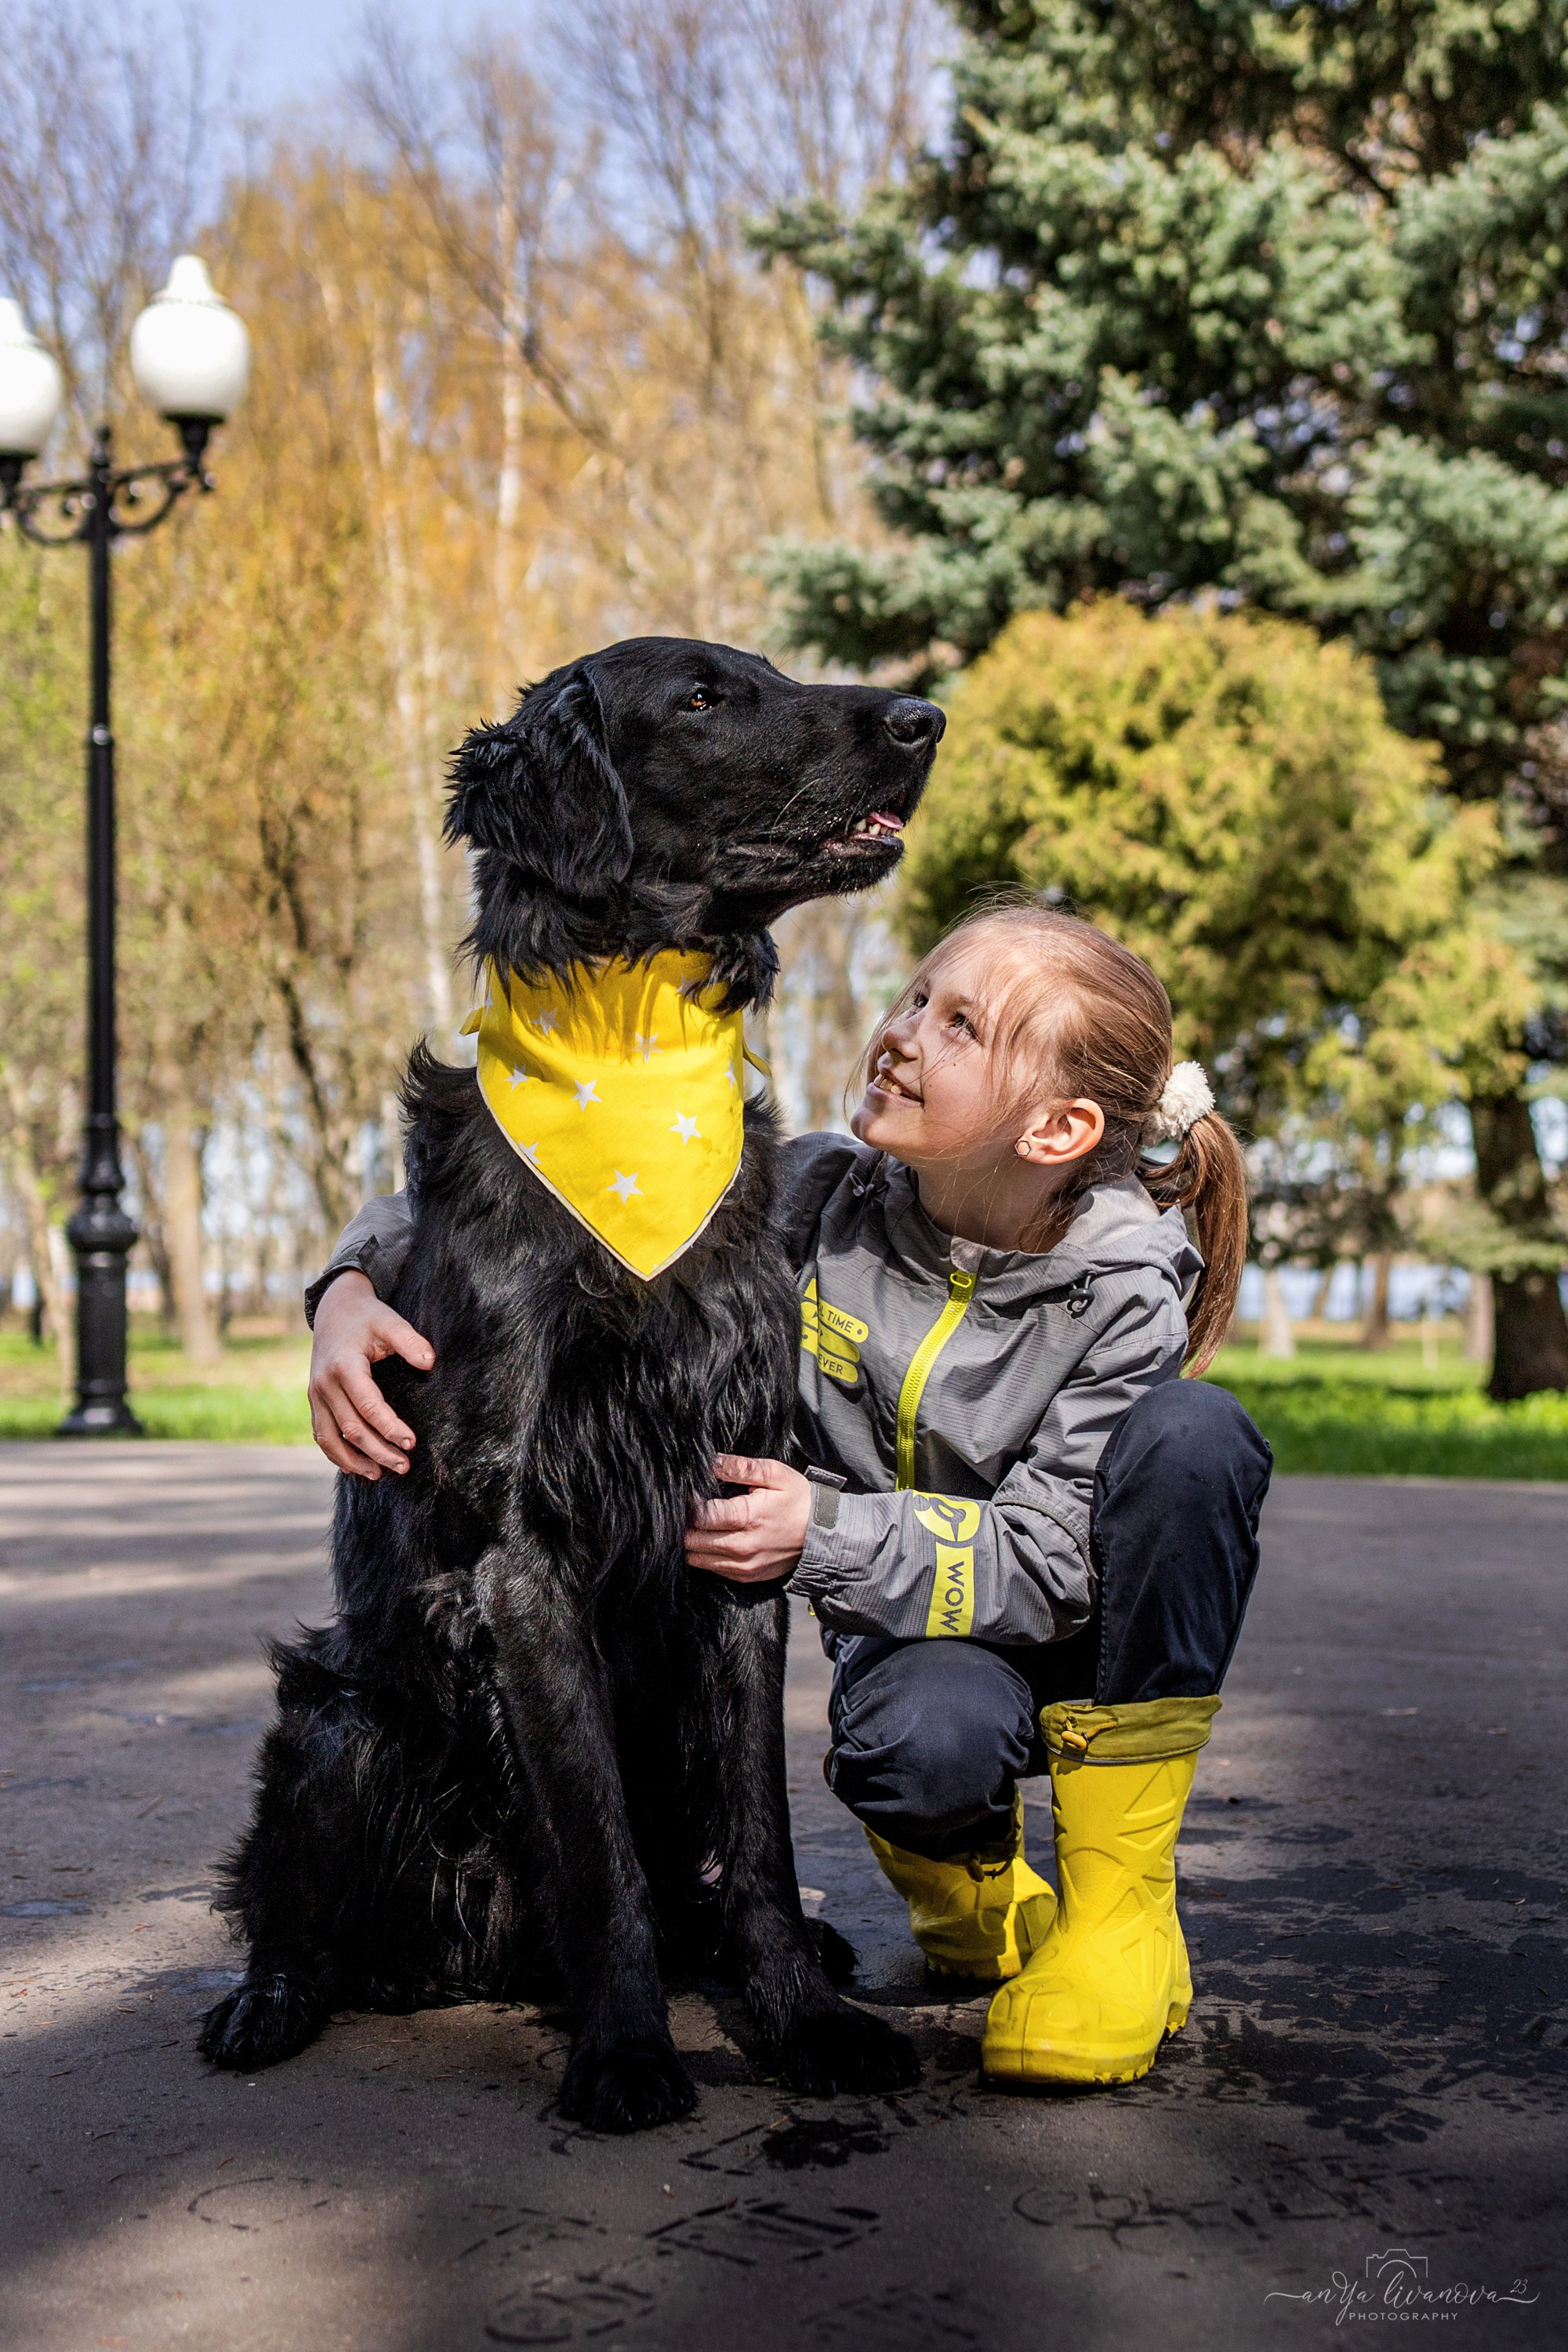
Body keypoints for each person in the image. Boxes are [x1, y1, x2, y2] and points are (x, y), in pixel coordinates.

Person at [305, 902, 1270, 2089]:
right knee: (918, 1743)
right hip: (931, 1655)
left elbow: (1057, 1559)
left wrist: (825, 1532)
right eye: (918, 995)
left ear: (1060, 1127)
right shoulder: (815, 1194)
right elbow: (529, 1209)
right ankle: (967, 1882)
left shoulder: (1125, 1291)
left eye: (961, 1026)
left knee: (1197, 1437)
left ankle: (1120, 1914)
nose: (905, 1032)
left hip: (1095, 1641)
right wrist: (351, 1281)